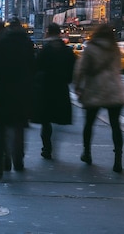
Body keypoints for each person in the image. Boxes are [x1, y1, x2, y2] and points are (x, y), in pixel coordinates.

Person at [0, 17, 35, 179]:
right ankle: (18, 159)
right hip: (22, 90)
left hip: (2, 90)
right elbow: (33, 67)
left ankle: (0, 164)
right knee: (18, 126)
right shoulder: (26, 43)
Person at [73, 23, 124, 172]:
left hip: (94, 89)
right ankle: (118, 159)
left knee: (89, 123)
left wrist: (77, 86)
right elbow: (119, 68)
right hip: (115, 89)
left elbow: (80, 69)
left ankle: (87, 152)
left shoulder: (90, 48)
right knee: (116, 125)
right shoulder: (115, 48)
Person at [32, 23, 76, 160]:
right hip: (61, 88)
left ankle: (47, 148)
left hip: (46, 89)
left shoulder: (45, 50)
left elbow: (37, 68)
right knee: (57, 118)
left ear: (48, 32)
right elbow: (72, 69)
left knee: (46, 121)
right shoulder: (67, 50)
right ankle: (51, 146)